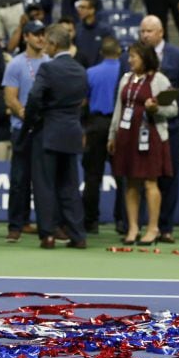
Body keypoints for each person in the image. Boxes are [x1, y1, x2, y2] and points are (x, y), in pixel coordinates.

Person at [21, 23, 88, 249]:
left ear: (55, 44)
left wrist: (29, 122)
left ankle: (48, 235)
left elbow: (34, 98)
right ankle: (78, 236)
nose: (45, 47)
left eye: (48, 43)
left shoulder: (48, 69)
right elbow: (82, 101)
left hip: (48, 131)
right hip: (72, 132)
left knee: (45, 186)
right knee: (70, 186)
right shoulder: (80, 70)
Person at [108, 41, 177, 246]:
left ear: (145, 58)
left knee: (150, 182)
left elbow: (173, 109)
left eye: (133, 57)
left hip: (151, 136)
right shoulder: (126, 78)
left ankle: (153, 228)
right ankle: (133, 227)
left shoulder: (159, 80)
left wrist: (156, 109)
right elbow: (119, 108)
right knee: (130, 183)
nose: (129, 60)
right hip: (126, 136)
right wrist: (112, 135)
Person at [133, 15, 179, 243]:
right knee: (140, 176)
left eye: (149, 31)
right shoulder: (133, 57)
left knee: (169, 177)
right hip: (140, 128)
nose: (145, 35)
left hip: (171, 127)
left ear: (161, 32)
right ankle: (139, 225)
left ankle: (165, 227)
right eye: (142, 31)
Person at [3, 20, 49, 243]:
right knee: (20, 179)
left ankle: (44, 225)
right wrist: (26, 115)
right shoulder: (16, 64)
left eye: (42, 34)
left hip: (45, 129)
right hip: (22, 128)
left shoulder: (50, 62)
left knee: (43, 179)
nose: (40, 38)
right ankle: (15, 225)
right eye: (36, 34)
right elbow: (10, 97)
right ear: (26, 37)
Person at [82, 37, 121, 234]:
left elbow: (84, 101)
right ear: (120, 52)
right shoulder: (125, 73)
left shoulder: (91, 72)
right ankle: (122, 221)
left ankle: (90, 221)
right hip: (120, 124)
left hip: (96, 124)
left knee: (92, 176)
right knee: (122, 175)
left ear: (101, 53)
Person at [74, 0, 115, 68]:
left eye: (83, 7)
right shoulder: (77, 29)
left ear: (92, 10)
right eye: (79, 7)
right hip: (80, 71)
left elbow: (110, 51)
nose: (79, 10)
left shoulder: (105, 30)